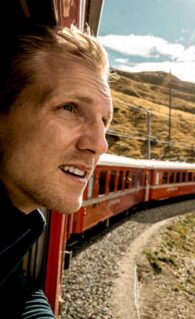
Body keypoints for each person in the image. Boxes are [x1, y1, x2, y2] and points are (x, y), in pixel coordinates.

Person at [0, 23, 112, 318]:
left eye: (105, 121)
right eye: (70, 108)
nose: (100, 145)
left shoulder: (20, 228)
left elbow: (11, 283)